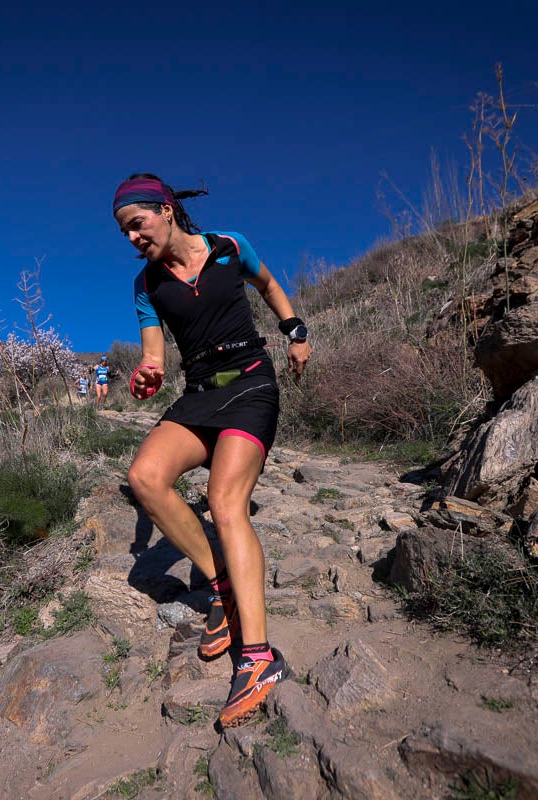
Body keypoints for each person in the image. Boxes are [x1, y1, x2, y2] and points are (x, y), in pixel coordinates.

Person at [114, 173, 311, 727]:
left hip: (251, 383)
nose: (132, 237)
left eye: (138, 223)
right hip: (200, 392)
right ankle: (220, 585)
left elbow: (270, 285)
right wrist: (149, 374)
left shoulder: (229, 246)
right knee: (146, 478)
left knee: (225, 505)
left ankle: (258, 659)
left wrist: (295, 331)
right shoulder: (146, 285)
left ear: (166, 210)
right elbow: (154, 353)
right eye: (125, 231)